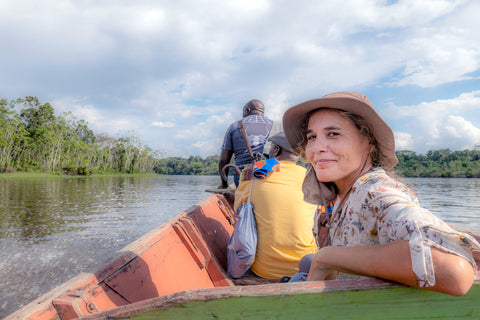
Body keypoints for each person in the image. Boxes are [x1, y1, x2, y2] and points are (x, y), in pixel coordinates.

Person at [282, 91, 480, 296]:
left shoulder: (376, 194)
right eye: (312, 137)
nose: (317, 147)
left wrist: (328, 257)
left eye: (333, 134)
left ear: (369, 143)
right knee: (307, 261)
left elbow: (455, 272)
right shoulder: (347, 193)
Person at [233, 132, 318, 279]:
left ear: (276, 150)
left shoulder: (253, 170)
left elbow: (238, 208)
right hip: (305, 267)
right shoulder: (311, 176)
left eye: (272, 147)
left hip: (265, 269)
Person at [218, 99, 274, 188]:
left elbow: (223, 161)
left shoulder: (234, 126)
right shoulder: (275, 125)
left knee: (244, 197)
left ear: (247, 110)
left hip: (243, 175)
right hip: (270, 175)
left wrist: (224, 184)